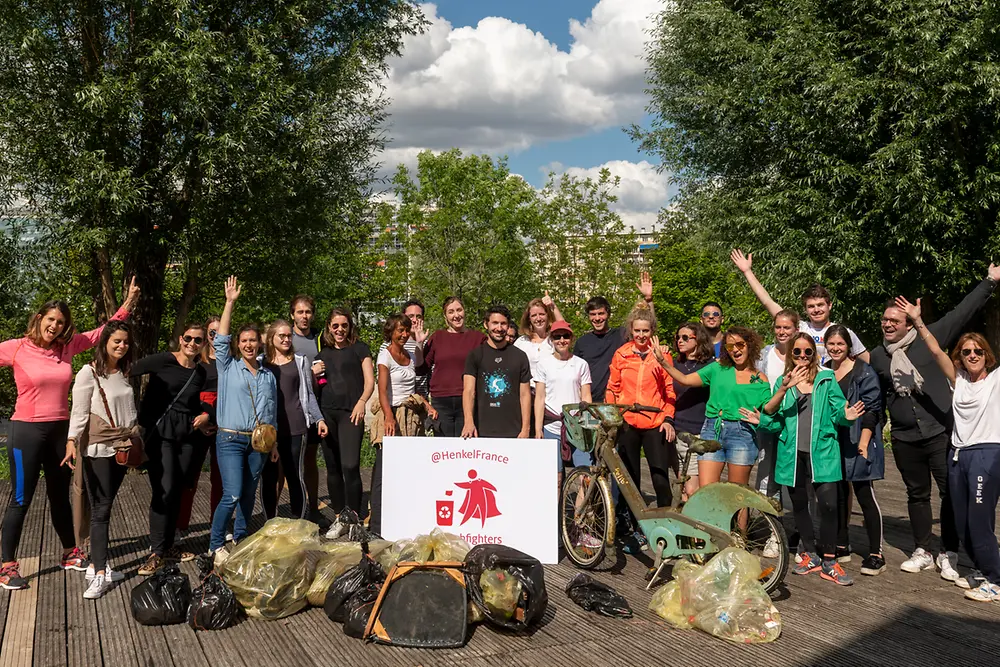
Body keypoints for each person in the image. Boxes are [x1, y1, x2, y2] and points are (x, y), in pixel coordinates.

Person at [0, 279, 139, 591]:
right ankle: (7, 566)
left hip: (60, 432)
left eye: (61, 322)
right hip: (26, 431)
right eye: (51, 320)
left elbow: (102, 333)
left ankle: (69, 552)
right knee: (21, 499)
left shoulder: (67, 347)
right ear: (39, 319)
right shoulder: (16, 347)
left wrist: (128, 303)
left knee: (59, 495)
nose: (55, 326)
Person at [869, 266, 1000, 577]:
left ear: (907, 323)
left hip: (941, 431)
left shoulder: (929, 338)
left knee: (951, 494)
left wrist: (990, 281)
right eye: (885, 320)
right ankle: (923, 549)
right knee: (916, 494)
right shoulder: (878, 356)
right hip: (904, 436)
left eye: (894, 321)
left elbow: (962, 311)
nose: (888, 324)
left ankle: (950, 551)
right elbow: (874, 394)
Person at [896, 297, 1000, 601]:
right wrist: (917, 321)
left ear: (987, 354)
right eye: (966, 351)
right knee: (963, 522)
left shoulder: (995, 380)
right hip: (958, 454)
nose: (972, 355)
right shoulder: (959, 380)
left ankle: (996, 580)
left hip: (987, 454)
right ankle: (982, 569)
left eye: (977, 351)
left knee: (980, 522)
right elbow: (935, 350)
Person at [751, 333, 865, 586]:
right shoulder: (784, 380)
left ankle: (830, 560)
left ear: (815, 354)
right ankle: (810, 554)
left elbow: (839, 412)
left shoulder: (826, 379)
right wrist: (783, 388)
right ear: (791, 354)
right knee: (799, 506)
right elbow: (771, 411)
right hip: (792, 454)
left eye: (808, 352)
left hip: (822, 453)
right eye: (797, 352)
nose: (802, 357)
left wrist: (848, 415)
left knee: (829, 506)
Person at [63, 322, 136, 598]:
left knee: (104, 507)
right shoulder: (89, 373)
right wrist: (72, 441)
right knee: (101, 509)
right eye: (116, 341)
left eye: (126, 342)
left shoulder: (124, 371)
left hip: (122, 447)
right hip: (99, 451)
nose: (121, 346)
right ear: (104, 341)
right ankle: (101, 572)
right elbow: (79, 412)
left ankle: (96, 564)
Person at [132, 322, 211, 575]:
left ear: (203, 345)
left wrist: (207, 415)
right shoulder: (164, 360)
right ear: (180, 338)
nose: (192, 344)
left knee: (178, 489)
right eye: (188, 338)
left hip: (187, 436)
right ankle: (156, 551)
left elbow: (203, 402)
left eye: (198, 340)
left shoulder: (200, 372)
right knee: (163, 491)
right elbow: (127, 369)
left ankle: (170, 545)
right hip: (161, 435)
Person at [209, 276, 277, 561]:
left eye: (253, 340)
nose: (249, 345)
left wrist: (272, 444)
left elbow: (272, 411)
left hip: (258, 442)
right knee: (233, 493)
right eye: (244, 341)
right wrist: (229, 303)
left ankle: (240, 537)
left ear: (260, 344)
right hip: (230, 438)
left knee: (249, 494)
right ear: (238, 344)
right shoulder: (227, 367)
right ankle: (215, 544)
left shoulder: (268, 375)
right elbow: (220, 340)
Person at [654, 326, 770, 488]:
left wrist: (781, 391)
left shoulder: (759, 379)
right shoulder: (717, 368)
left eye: (740, 345)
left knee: (737, 496)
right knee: (706, 491)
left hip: (741, 433)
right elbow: (685, 380)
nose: (735, 350)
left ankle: (741, 515)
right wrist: (663, 362)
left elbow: (770, 411)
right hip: (712, 430)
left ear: (749, 345)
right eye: (730, 346)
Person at [609, 305, 676, 551]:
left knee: (659, 478)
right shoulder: (621, 354)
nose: (641, 335)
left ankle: (665, 527)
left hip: (654, 422)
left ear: (652, 331)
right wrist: (613, 416)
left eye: (645, 330)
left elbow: (670, 392)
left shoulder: (662, 355)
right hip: (628, 422)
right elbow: (612, 388)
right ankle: (635, 530)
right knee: (630, 479)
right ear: (630, 330)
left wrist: (668, 419)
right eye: (637, 330)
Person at [730, 249, 869, 363]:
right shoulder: (799, 327)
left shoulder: (843, 332)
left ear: (830, 305)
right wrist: (747, 272)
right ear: (805, 309)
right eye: (811, 306)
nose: (816, 310)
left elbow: (867, 360)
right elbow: (767, 302)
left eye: (820, 305)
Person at [825, 325, 886, 575]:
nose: (836, 349)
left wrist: (863, 441)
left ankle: (875, 552)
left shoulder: (864, 372)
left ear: (849, 346)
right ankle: (842, 544)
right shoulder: (825, 370)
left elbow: (873, 410)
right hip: (833, 441)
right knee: (838, 493)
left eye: (840, 344)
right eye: (831, 344)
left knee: (864, 494)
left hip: (858, 438)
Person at [371, 314, 438, 535]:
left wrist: (427, 406)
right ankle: (378, 526)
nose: (403, 334)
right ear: (390, 332)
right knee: (384, 470)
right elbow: (382, 391)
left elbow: (414, 388)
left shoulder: (409, 355)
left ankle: (405, 519)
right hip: (392, 414)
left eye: (406, 330)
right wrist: (389, 416)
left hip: (411, 417)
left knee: (409, 470)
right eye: (400, 330)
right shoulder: (384, 355)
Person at [316, 306, 374, 538]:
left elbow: (369, 381)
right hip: (328, 413)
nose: (340, 330)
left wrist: (361, 402)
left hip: (352, 413)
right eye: (335, 326)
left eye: (344, 325)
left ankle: (354, 518)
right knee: (333, 468)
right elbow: (315, 386)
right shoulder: (323, 354)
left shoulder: (360, 349)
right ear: (329, 327)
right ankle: (340, 517)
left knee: (350, 466)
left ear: (350, 326)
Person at [262, 319, 328, 520]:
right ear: (272, 338)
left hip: (296, 426)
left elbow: (308, 393)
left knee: (294, 475)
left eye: (289, 335)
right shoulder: (260, 362)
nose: (286, 339)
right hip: (269, 428)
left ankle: (297, 521)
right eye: (281, 336)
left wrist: (319, 419)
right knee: (269, 477)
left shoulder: (299, 360)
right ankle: (269, 522)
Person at [574, 273, 654, 401]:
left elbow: (647, 326)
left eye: (601, 313)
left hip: (618, 401)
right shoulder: (582, 342)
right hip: (589, 402)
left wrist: (648, 299)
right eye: (593, 314)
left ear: (608, 314)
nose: (597, 318)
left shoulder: (622, 335)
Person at [175, 316, 221, 539]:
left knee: (220, 478)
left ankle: (218, 524)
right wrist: (201, 419)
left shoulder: (229, 362)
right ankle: (180, 525)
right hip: (198, 422)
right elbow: (188, 395)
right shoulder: (197, 362)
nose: (215, 338)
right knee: (189, 476)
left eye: (221, 334)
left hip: (222, 421)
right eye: (212, 333)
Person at [462, 305, 531, 439]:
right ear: (486, 324)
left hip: (514, 431)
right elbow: (469, 391)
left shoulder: (520, 356)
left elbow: (525, 395)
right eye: (495, 323)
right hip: (481, 430)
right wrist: (468, 422)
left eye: (503, 324)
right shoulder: (475, 355)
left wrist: (526, 428)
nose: (499, 328)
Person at [533, 320, 593, 471]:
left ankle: (583, 496)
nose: (561, 340)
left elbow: (586, 396)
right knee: (554, 475)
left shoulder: (581, 364)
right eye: (557, 337)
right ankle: (557, 495)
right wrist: (538, 429)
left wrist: (588, 425)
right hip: (552, 426)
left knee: (585, 472)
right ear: (551, 340)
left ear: (571, 338)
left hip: (577, 426)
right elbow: (540, 398)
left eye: (565, 336)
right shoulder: (543, 364)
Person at [423, 296, 486, 437]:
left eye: (459, 310)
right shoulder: (437, 337)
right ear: (445, 316)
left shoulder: (478, 338)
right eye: (451, 312)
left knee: (466, 447)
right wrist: (418, 345)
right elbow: (422, 368)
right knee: (444, 449)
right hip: (441, 401)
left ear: (465, 312)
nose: (456, 315)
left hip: (468, 399)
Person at [755, 310, 800, 500]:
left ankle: (796, 522)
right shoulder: (765, 354)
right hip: (768, 417)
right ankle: (767, 521)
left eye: (787, 327)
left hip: (794, 418)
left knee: (795, 470)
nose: (782, 331)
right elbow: (755, 384)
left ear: (796, 329)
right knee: (766, 469)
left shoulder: (802, 353)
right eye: (778, 327)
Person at [670, 322, 714, 499]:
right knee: (682, 488)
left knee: (692, 489)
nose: (680, 341)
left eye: (685, 337)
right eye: (678, 337)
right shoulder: (676, 364)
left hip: (698, 431)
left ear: (699, 339)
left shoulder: (711, 366)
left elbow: (686, 381)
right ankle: (685, 525)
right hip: (677, 430)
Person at [290, 294, 324, 523]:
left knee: (311, 458)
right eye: (300, 312)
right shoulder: (284, 337)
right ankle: (278, 516)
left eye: (308, 312)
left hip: (316, 405)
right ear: (292, 314)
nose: (305, 316)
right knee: (286, 462)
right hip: (291, 407)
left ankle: (313, 508)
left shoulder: (320, 338)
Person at [378, 299, 429, 397]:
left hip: (421, 402)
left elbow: (423, 372)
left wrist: (419, 343)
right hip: (396, 402)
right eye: (410, 316)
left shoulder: (427, 344)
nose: (414, 320)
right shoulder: (388, 345)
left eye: (418, 316)